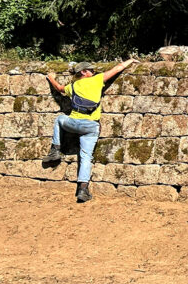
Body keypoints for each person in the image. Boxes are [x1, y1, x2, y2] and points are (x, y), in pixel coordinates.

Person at [43, 59, 137, 203]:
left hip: (73, 123)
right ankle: (83, 190)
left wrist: (50, 78)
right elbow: (118, 69)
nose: (94, 72)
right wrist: (130, 60)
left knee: (59, 120)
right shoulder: (97, 80)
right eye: (91, 70)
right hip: (91, 126)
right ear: (84, 72)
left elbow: (60, 89)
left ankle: (55, 150)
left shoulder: (73, 86)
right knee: (86, 157)